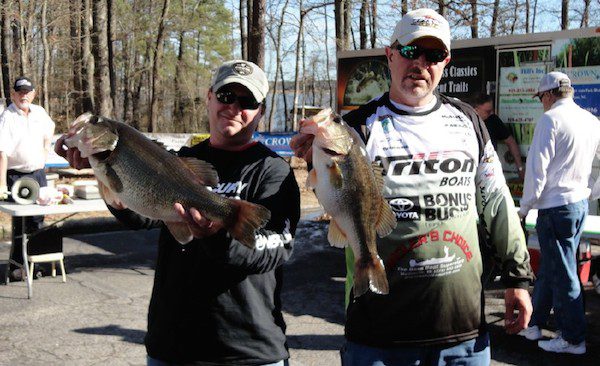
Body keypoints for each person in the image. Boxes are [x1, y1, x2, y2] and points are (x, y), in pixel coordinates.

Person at [291, 8, 533, 365]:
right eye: (409, 52)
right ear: (390, 55)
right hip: (378, 336)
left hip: (463, 333)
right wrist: (313, 159)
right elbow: (334, 196)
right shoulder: (357, 128)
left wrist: (519, 278)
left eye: (432, 55)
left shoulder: (469, 122)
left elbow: (497, 203)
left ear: (445, 62)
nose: (420, 63)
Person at [56, 60, 301, 365]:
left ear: (260, 111)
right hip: (173, 346)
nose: (234, 107)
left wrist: (218, 236)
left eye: (247, 101)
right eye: (226, 96)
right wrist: (102, 173)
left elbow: (275, 249)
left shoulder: (274, 172)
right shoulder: (180, 160)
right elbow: (142, 215)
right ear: (209, 98)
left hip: (249, 350)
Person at [517, 71, 600, 355]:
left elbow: (536, 171)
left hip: (555, 207)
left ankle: (573, 338)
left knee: (563, 274)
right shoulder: (590, 120)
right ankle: (537, 323)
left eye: (541, 97)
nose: (541, 103)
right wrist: (593, 191)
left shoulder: (550, 119)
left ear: (550, 94)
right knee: (555, 269)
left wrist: (525, 208)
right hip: (578, 205)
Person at [0, 76, 55, 281]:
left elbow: (50, 130)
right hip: (16, 176)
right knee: (21, 224)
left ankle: (35, 266)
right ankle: (17, 267)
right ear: (13, 94)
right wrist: (2, 185)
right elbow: (2, 152)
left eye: (27, 92)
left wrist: (45, 150)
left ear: (33, 93)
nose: (24, 96)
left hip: (38, 175)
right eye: (20, 92)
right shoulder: (7, 117)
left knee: (37, 223)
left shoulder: (40, 113)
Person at [470, 94, 525, 180]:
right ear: (476, 110)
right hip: (469, 168)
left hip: (488, 170)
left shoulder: (493, 120)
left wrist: (520, 168)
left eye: (492, 110)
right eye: (487, 111)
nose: (491, 113)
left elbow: (511, 142)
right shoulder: (465, 121)